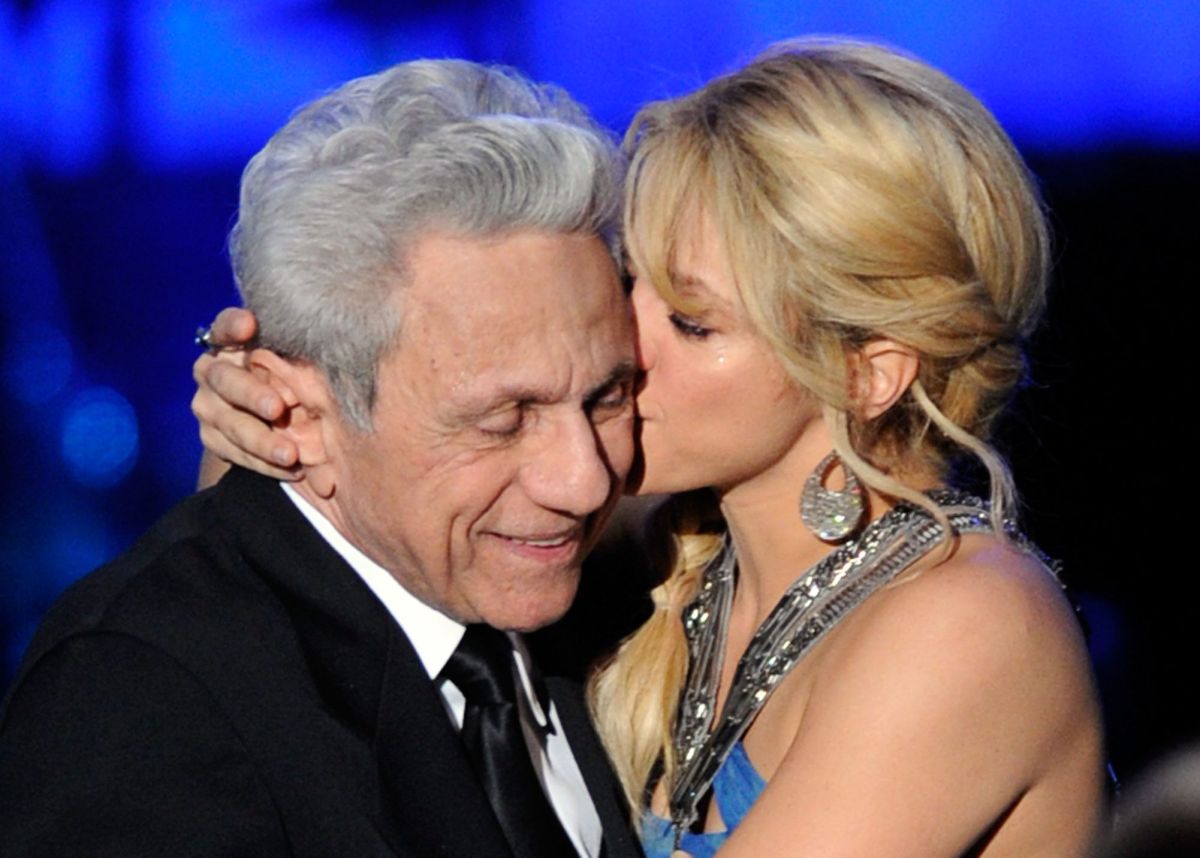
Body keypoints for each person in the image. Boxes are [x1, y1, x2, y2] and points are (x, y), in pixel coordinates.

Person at [192, 39, 1106, 857]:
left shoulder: (969, 624)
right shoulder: (661, 554)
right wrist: (272, 431)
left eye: (693, 322)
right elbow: (296, 641)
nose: (623, 345)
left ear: (869, 373)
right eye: (633, 283)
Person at [0, 59, 644, 858]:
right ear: (295, 414)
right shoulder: (144, 695)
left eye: (609, 398)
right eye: (504, 420)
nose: (583, 481)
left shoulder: (622, 605)